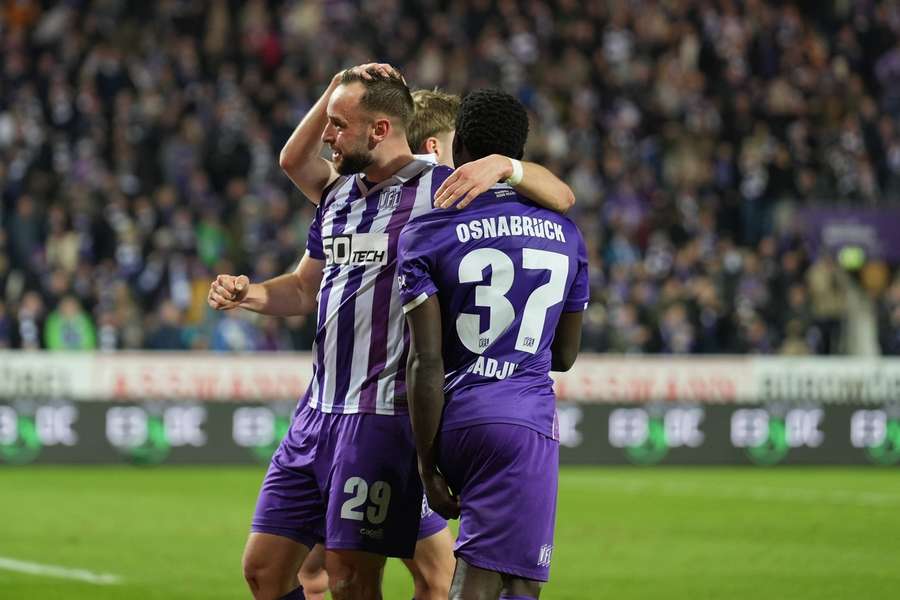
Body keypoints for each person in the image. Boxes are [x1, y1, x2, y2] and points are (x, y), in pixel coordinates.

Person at [208, 64, 576, 600]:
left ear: (379, 130)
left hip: (382, 417)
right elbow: (305, 290)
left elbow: (561, 197)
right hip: (315, 413)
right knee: (264, 573)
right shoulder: (337, 197)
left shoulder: (439, 190)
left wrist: (504, 165)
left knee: (352, 580)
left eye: (338, 123)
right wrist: (252, 295)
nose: (327, 135)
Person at [398, 88, 589, 599]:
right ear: (519, 152)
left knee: (511, 579)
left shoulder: (426, 231)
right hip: (521, 422)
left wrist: (426, 462)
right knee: (501, 578)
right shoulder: (566, 234)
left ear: (458, 147)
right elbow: (565, 357)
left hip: (454, 419)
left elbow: (426, 359)